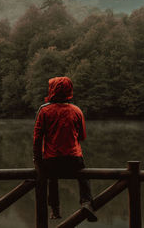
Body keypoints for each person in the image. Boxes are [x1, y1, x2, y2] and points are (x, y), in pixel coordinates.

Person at [33, 76, 97, 221]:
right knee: (84, 175)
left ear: (52, 90)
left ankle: (55, 210)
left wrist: (37, 161)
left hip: (52, 160)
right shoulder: (76, 110)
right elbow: (82, 136)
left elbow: (37, 139)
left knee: (52, 178)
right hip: (74, 159)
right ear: (70, 91)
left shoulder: (44, 111)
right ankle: (86, 202)